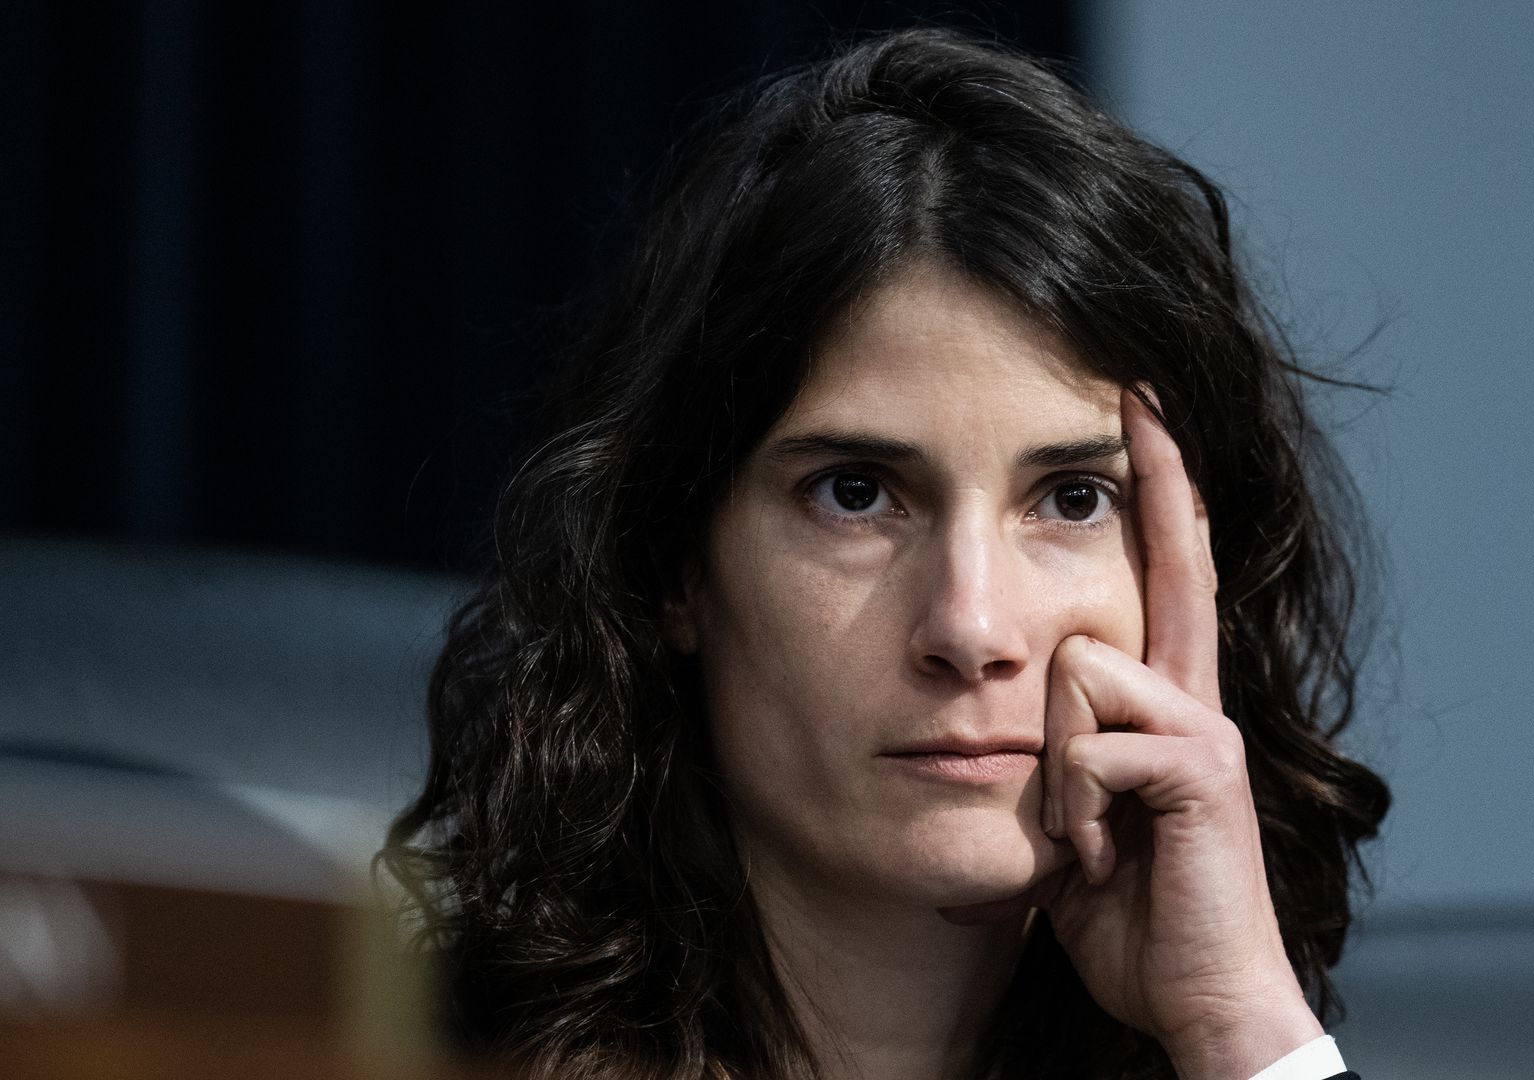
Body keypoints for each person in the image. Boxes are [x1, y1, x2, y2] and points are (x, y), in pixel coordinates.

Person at [382, 27, 1389, 1080]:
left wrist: (1240, 1025)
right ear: (676, 560)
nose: (972, 627)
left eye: (1074, 499)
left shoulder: (1233, 1042)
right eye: (856, 495)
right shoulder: (372, 1052)